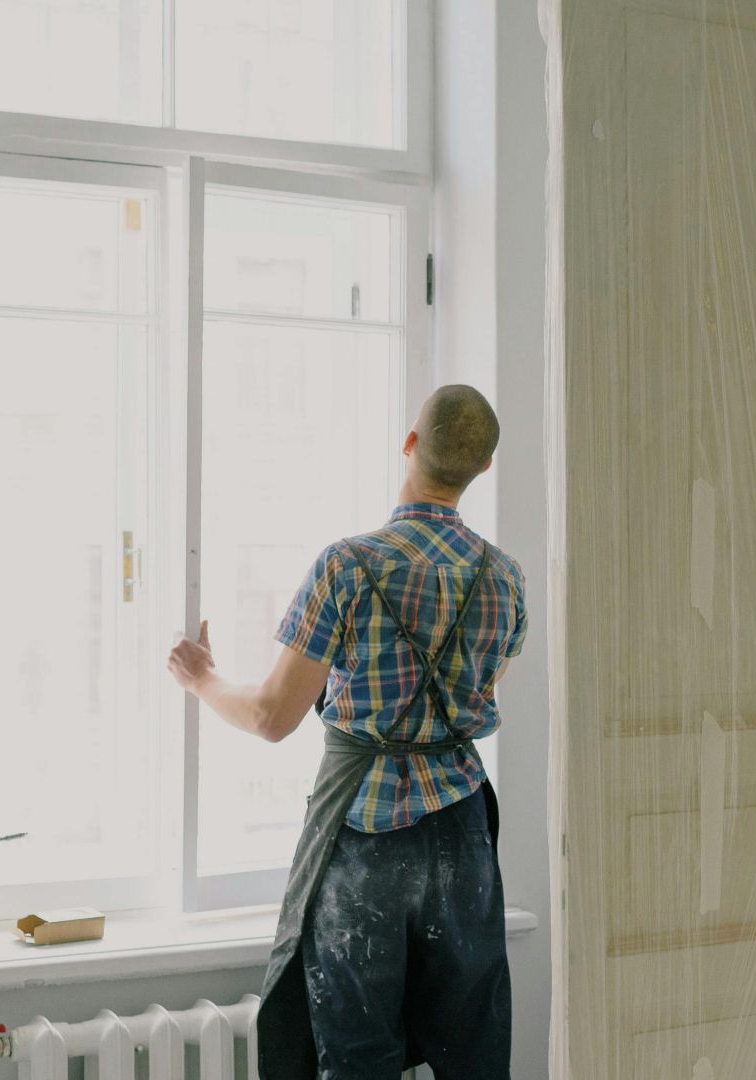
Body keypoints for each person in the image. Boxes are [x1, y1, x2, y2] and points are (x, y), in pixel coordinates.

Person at [166, 384, 525, 1079]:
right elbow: (477, 694)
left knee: (357, 1057)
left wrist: (202, 680)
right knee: (471, 1052)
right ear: (482, 468)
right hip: (463, 839)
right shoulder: (503, 578)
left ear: (410, 443)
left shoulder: (349, 566)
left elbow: (273, 717)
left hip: (367, 838)